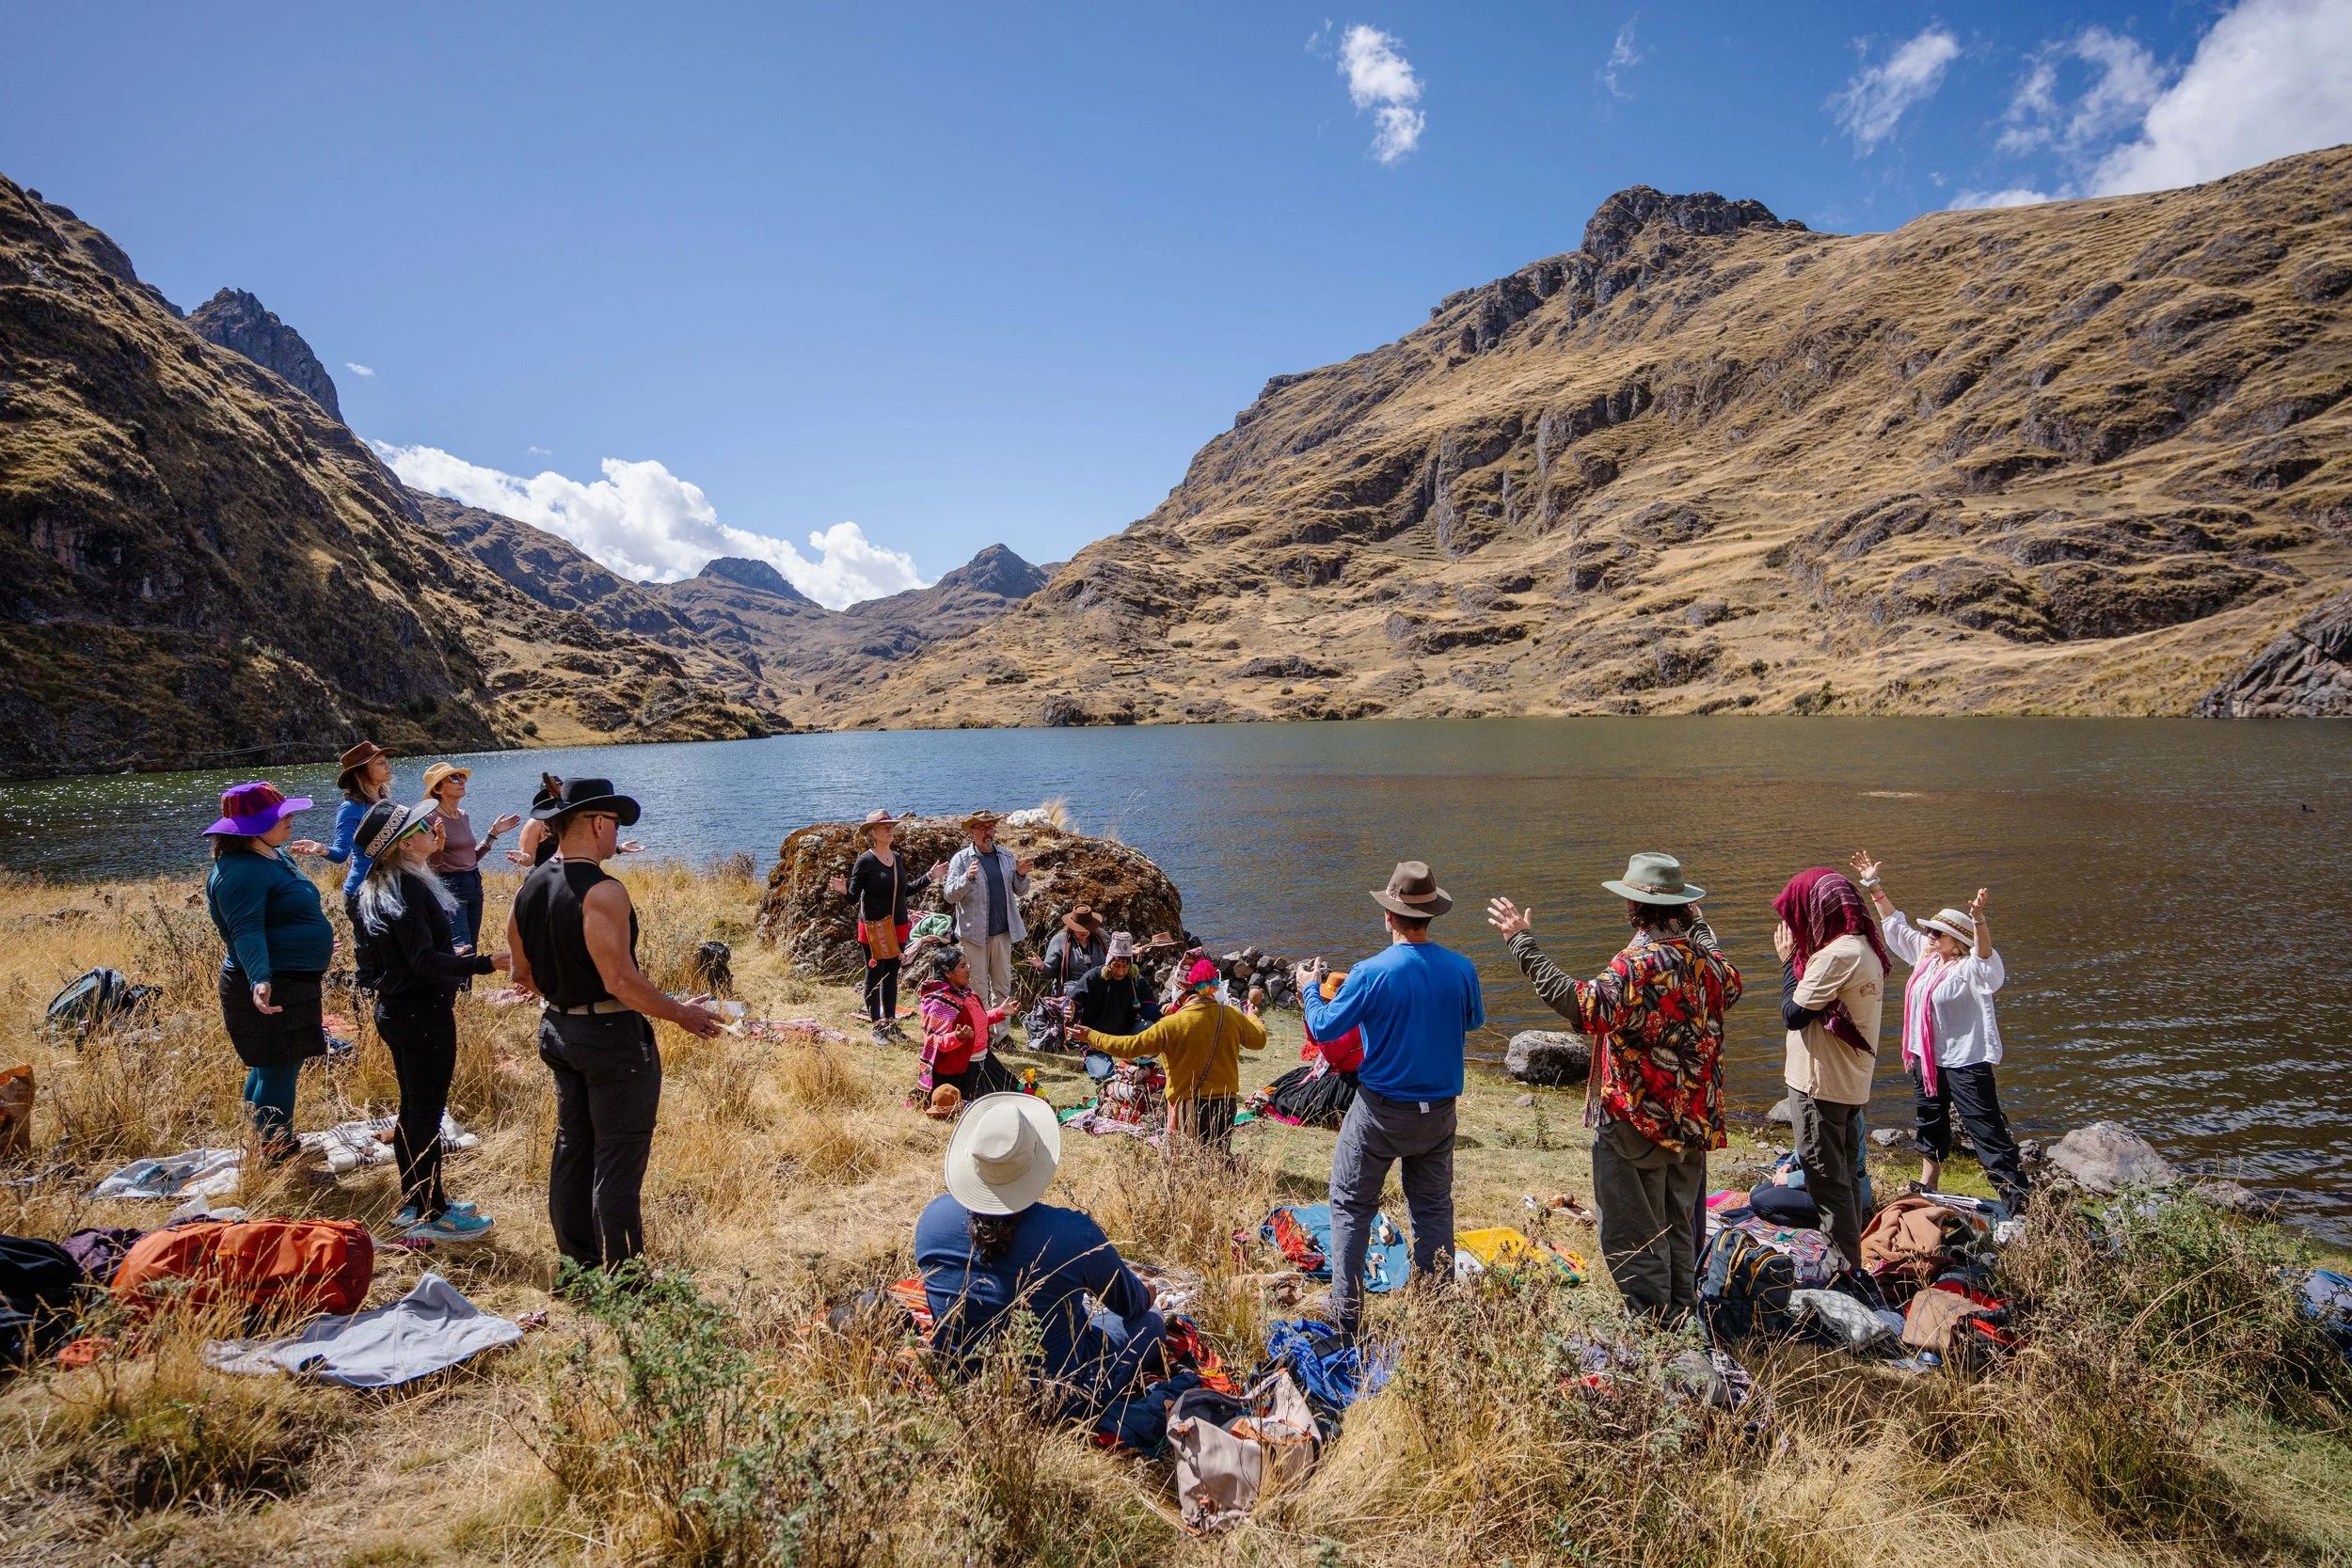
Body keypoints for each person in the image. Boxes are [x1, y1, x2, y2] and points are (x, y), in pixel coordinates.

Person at [1486, 853, 1741, 1323]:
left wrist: (1522, 943)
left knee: (1632, 1233)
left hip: (1636, 1119)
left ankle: (1657, 1338)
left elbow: (1581, 1006)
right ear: (1683, 908)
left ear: (1635, 907)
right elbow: (1727, 974)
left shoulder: (1637, 966)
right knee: (1679, 1226)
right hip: (1693, 1122)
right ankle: (1684, 1321)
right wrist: (1700, 929)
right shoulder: (1709, 965)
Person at [506, 778, 724, 1274]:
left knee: (572, 1147)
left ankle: (576, 1266)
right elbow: (621, 981)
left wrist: (567, 997)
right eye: (616, 823)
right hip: (610, 1041)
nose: (616, 835)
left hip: (558, 1031)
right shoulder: (604, 890)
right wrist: (682, 1014)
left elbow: (521, 973)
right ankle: (626, 1282)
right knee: (618, 1159)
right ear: (598, 822)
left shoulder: (531, 885)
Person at [1295, 861, 1484, 1334]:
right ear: (1431, 915)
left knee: (1350, 1204)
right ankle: (1436, 1312)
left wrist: (1308, 991)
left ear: (1389, 916)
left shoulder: (1370, 971)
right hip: (1439, 1114)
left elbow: (1322, 1028)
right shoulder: (1463, 969)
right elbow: (1473, 1021)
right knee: (1433, 1208)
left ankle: (1345, 1318)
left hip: (1380, 1112)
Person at [914, 1093, 1166, 1419]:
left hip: (961, 1380)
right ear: (1035, 1162)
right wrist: (1148, 1292)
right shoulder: (1075, 1233)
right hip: (1056, 1396)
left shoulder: (932, 1219)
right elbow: (1132, 1305)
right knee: (1151, 1321)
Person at [352, 800, 505, 1241]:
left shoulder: (381, 884)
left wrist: (448, 957)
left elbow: (397, 956)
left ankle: (416, 1203)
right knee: (425, 1114)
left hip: (396, 1010)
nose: (431, 827)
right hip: (422, 1014)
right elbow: (421, 961)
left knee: (413, 1110)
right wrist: (483, 964)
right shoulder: (410, 888)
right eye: (420, 825)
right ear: (403, 843)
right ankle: (431, 1214)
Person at [1851, 855, 2027, 1212]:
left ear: (1957, 941)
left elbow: (1987, 963)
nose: (1928, 936)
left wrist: (1979, 920)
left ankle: (2017, 1202)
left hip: (1965, 1062)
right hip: (1925, 1059)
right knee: (1929, 1121)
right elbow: (1895, 926)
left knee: (1985, 1129)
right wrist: (1874, 885)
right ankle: (1928, 1183)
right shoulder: (1926, 957)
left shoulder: (1970, 970)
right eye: (1929, 931)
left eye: (1936, 933)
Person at [202, 783, 334, 1159]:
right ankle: (277, 1150)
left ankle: (260, 1140)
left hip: (292, 977)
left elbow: (283, 914)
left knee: (270, 1065)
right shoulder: (239, 872)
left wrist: (311, 940)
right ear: (249, 828)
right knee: (278, 1066)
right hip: (270, 983)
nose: (290, 818)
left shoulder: (271, 855)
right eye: (280, 815)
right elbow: (245, 930)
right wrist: (260, 979)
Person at [1772, 866, 1889, 1274]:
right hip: (1850, 1082)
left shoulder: (1836, 955)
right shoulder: (1864, 948)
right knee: (1842, 1173)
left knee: (1825, 1176)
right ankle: (1847, 1254)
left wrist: (1788, 963)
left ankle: (1842, 1267)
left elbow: (1793, 1013)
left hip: (1820, 1084)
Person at [1073, 956, 1267, 1151]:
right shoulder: (1232, 1015)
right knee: (1218, 1155)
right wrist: (1252, 1016)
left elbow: (1128, 1047)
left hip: (1190, 1106)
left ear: (1181, 995)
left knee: (1189, 1160)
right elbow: (1259, 1040)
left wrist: (1091, 1036)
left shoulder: (1171, 1025)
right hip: (1227, 1103)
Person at [829, 810, 925, 1045]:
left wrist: (930, 877)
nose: (890, 829)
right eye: (884, 827)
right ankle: (877, 1026)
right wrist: (843, 890)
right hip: (873, 929)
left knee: (892, 975)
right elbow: (853, 897)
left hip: (898, 926)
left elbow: (905, 891)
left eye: (891, 826)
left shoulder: (897, 858)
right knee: (874, 975)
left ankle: (890, 1023)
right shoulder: (865, 861)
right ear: (872, 832)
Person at [310, 740, 392, 987]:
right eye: (380, 762)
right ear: (362, 771)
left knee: (390, 957)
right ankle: (364, 1012)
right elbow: (339, 854)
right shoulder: (351, 808)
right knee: (369, 961)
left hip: (390, 889)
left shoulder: (386, 802)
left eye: (386, 760)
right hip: (362, 892)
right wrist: (320, 849)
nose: (388, 765)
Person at [421, 763, 521, 955]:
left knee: (472, 946)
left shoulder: (463, 816)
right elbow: (430, 865)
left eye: (462, 777)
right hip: (449, 886)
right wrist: (440, 840)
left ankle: (466, 986)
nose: (462, 781)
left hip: (473, 883)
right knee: (461, 946)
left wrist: (493, 834)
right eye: (454, 778)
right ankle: (456, 986)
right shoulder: (429, 819)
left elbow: (470, 858)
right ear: (438, 789)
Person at [942, 812, 1031, 1011]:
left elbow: (1021, 891)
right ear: (972, 832)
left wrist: (1021, 875)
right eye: (982, 828)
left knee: (1002, 988)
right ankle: (982, 1037)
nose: (987, 832)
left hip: (1002, 934)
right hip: (973, 937)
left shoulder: (1006, 856)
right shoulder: (961, 859)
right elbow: (949, 895)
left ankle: (1001, 1036)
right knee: (977, 989)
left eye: (990, 827)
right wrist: (967, 878)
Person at [1258, 969, 1362, 1130]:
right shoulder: (1338, 1014)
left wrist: (1321, 1029)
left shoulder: (1352, 1023)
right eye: (1325, 1000)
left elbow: (1333, 1056)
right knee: (1289, 1083)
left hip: (1345, 1079)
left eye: (1329, 1001)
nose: (1326, 1004)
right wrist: (1308, 1013)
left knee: (1293, 1101)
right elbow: (1315, 1041)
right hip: (1330, 1069)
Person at [918, 946, 1018, 1101]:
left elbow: (977, 1020)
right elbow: (934, 1041)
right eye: (963, 966)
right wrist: (956, 1037)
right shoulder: (940, 1001)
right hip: (962, 1070)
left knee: (1017, 1097)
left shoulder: (967, 993)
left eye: (968, 965)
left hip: (985, 1061)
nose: (968, 969)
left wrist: (1000, 1012)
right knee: (982, 1109)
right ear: (948, 973)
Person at [1069, 932, 1161, 1036]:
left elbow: (1148, 1010)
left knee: (1149, 1026)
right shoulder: (1092, 978)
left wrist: (1166, 1008)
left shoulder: (1136, 981)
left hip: (1127, 1035)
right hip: (1096, 1038)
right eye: (1116, 966)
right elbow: (1074, 1004)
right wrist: (1070, 1012)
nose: (1121, 971)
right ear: (1108, 963)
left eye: (1125, 966)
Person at [1041, 907, 1106, 993]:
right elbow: (1050, 973)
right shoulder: (1059, 941)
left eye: (1087, 927)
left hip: (1099, 986)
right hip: (1072, 989)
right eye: (1080, 928)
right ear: (1071, 926)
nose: (1084, 931)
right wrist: (1041, 966)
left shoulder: (1102, 939)